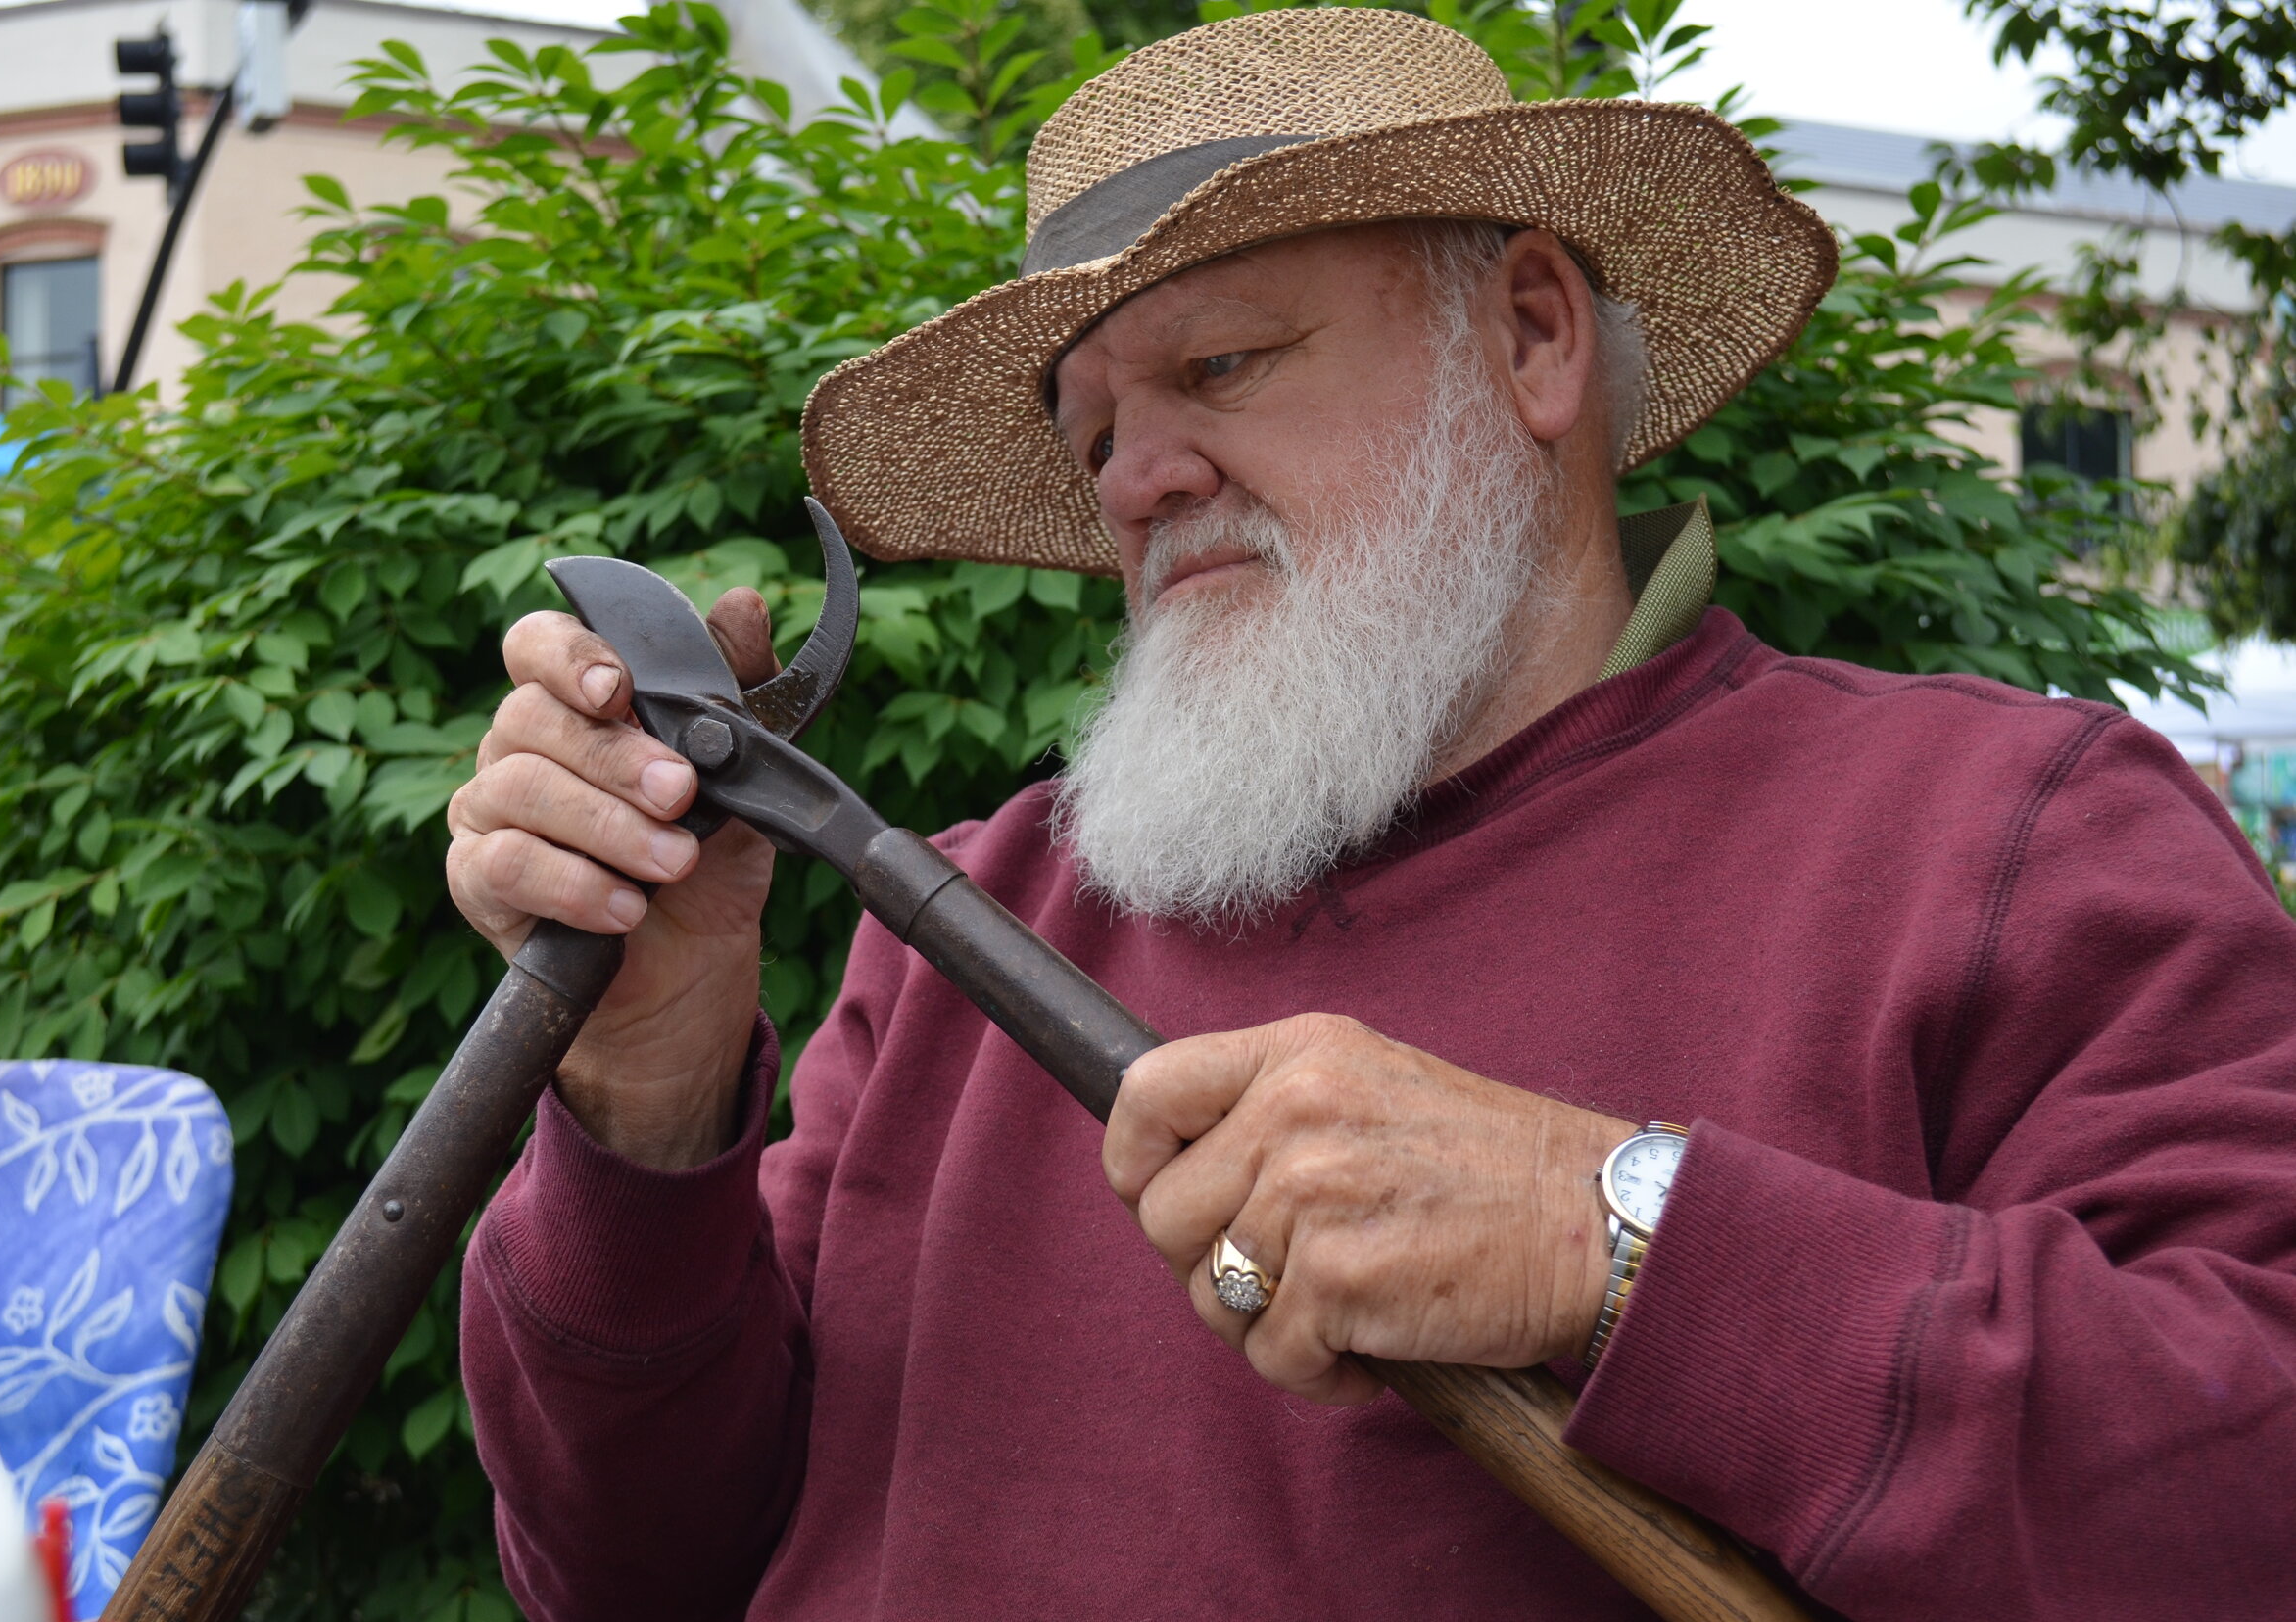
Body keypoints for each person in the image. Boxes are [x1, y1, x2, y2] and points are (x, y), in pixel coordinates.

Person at [445, 11, 2296, 1619]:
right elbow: (625, 1579)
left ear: (1538, 339)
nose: (1141, 480)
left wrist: (1618, 1238)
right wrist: (650, 1093)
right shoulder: (981, 908)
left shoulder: (1999, 833)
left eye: (1221, 366)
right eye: (1091, 432)